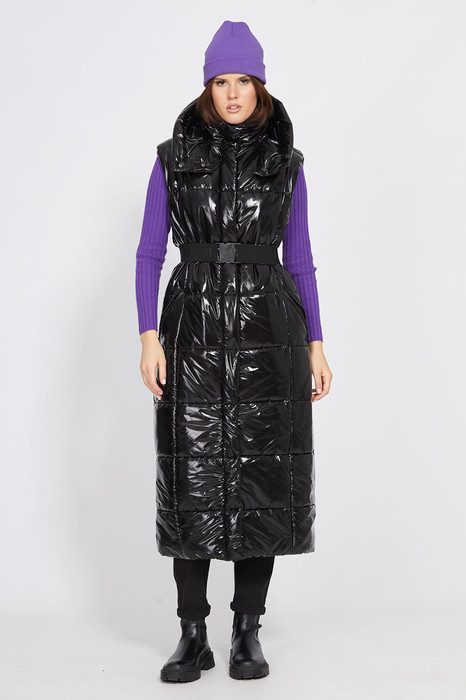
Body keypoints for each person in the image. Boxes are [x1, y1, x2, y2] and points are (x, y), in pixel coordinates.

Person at [135, 20, 333, 683]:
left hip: (267, 329)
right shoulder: (172, 159)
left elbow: (300, 258)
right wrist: (148, 336)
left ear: (260, 86)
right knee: (190, 478)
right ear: (207, 88)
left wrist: (316, 342)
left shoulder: (287, 164)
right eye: (220, 82)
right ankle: (192, 633)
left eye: (242, 81)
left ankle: (248, 629)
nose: (231, 93)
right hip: (191, 327)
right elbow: (148, 253)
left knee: (260, 479)